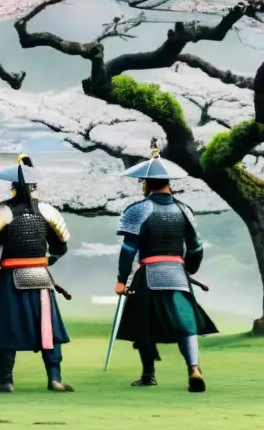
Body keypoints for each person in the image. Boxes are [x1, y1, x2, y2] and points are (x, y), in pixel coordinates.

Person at [115, 151, 217, 393]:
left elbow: (129, 248)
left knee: (144, 324)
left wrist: (121, 280)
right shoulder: (185, 210)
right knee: (186, 323)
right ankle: (193, 367)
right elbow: (196, 247)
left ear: (147, 183)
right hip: (178, 275)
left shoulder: (138, 209)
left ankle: (148, 374)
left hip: (148, 274)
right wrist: (189, 268)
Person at [0, 154, 74, 393]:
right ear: (35, 185)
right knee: (48, 329)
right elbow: (61, 247)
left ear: (12, 185)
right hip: (40, 278)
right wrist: (45, 261)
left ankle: (5, 381)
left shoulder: (0, 212)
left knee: (6, 327)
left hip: (11, 279)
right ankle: (54, 378)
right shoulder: (47, 212)